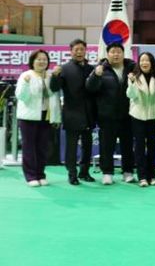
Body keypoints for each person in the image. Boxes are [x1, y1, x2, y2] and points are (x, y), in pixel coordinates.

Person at [86, 43, 136, 185]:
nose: (116, 54)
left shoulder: (131, 68)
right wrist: (96, 75)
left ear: (123, 53)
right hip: (107, 115)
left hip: (128, 115)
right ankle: (107, 173)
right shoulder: (100, 69)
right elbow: (90, 88)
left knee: (127, 146)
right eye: (113, 52)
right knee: (106, 146)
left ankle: (128, 172)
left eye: (119, 52)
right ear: (107, 54)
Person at [49, 39, 96, 185]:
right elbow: (54, 88)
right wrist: (55, 76)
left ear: (86, 51)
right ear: (71, 51)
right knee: (72, 147)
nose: (79, 52)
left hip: (88, 114)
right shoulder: (64, 69)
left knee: (87, 146)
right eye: (76, 49)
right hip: (71, 113)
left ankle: (84, 172)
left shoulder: (92, 69)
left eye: (82, 49)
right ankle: (72, 174)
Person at [16, 49, 62, 186]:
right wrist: (25, 83)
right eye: (39, 59)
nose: (42, 62)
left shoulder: (50, 76)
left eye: (44, 59)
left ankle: (41, 174)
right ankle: (31, 176)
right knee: (29, 147)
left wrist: (56, 117)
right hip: (28, 117)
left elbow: (55, 97)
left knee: (42, 147)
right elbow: (21, 96)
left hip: (45, 116)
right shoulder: (26, 75)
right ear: (32, 61)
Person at [126, 52, 155, 187]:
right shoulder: (134, 77)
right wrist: (132, 83)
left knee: (152, 147)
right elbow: (131, 95)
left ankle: (152, 176)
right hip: (138, 116)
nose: (144, 63)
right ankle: (142, 176)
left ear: (152, 63)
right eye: (142, 60)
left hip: (153, 117)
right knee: (140, 147)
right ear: (139, 63)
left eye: (147, 60)